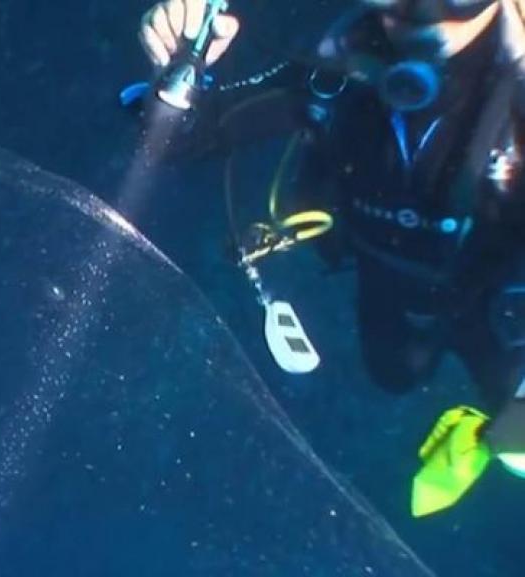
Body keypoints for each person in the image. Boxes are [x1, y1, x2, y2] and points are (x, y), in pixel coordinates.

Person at [131, 0, 525, 515]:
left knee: (515, 438)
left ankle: (481, 427)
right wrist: (181, 72)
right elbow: (189, 141)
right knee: (395, 372)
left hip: (499, 310)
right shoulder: (337, 75)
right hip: (383, 279)